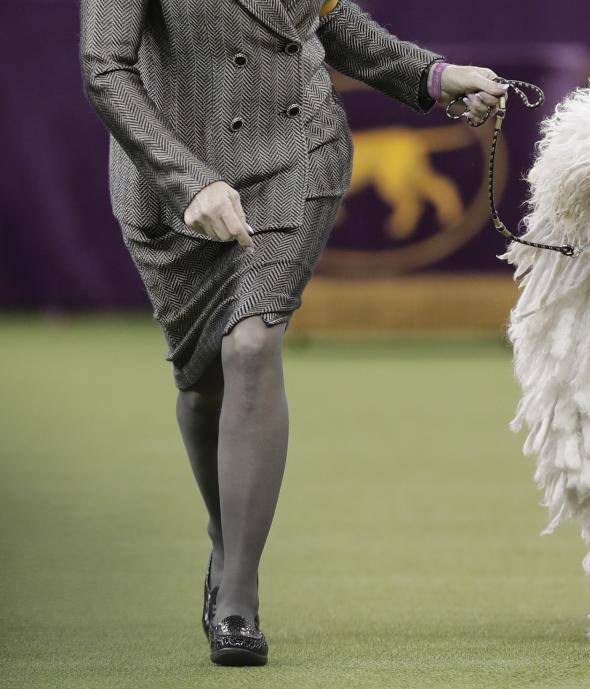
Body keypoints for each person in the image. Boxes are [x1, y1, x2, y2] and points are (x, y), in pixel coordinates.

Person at [79, 0, 505, 666]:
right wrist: (188, 180)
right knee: (201, 381)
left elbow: (323, 22)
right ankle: (227, 534)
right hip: (172, 178)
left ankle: (237, 597)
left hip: (295, 157)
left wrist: (431, 74)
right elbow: (105, 67)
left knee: (251, 342)